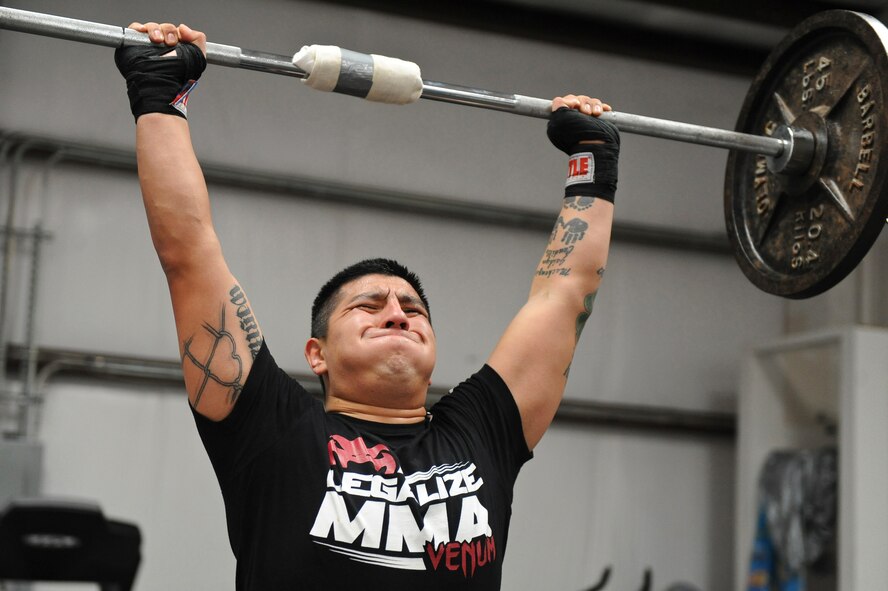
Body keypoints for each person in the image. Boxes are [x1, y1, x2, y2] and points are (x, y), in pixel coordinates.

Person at [115, 20, 618, 591]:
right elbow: (189, 253)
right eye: (369, 306)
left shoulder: (484, 433)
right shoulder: (270, 429)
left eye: (413, 308)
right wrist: (160, 97)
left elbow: (566, 293)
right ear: (317, 353)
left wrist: (593, 161)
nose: (398, 312)